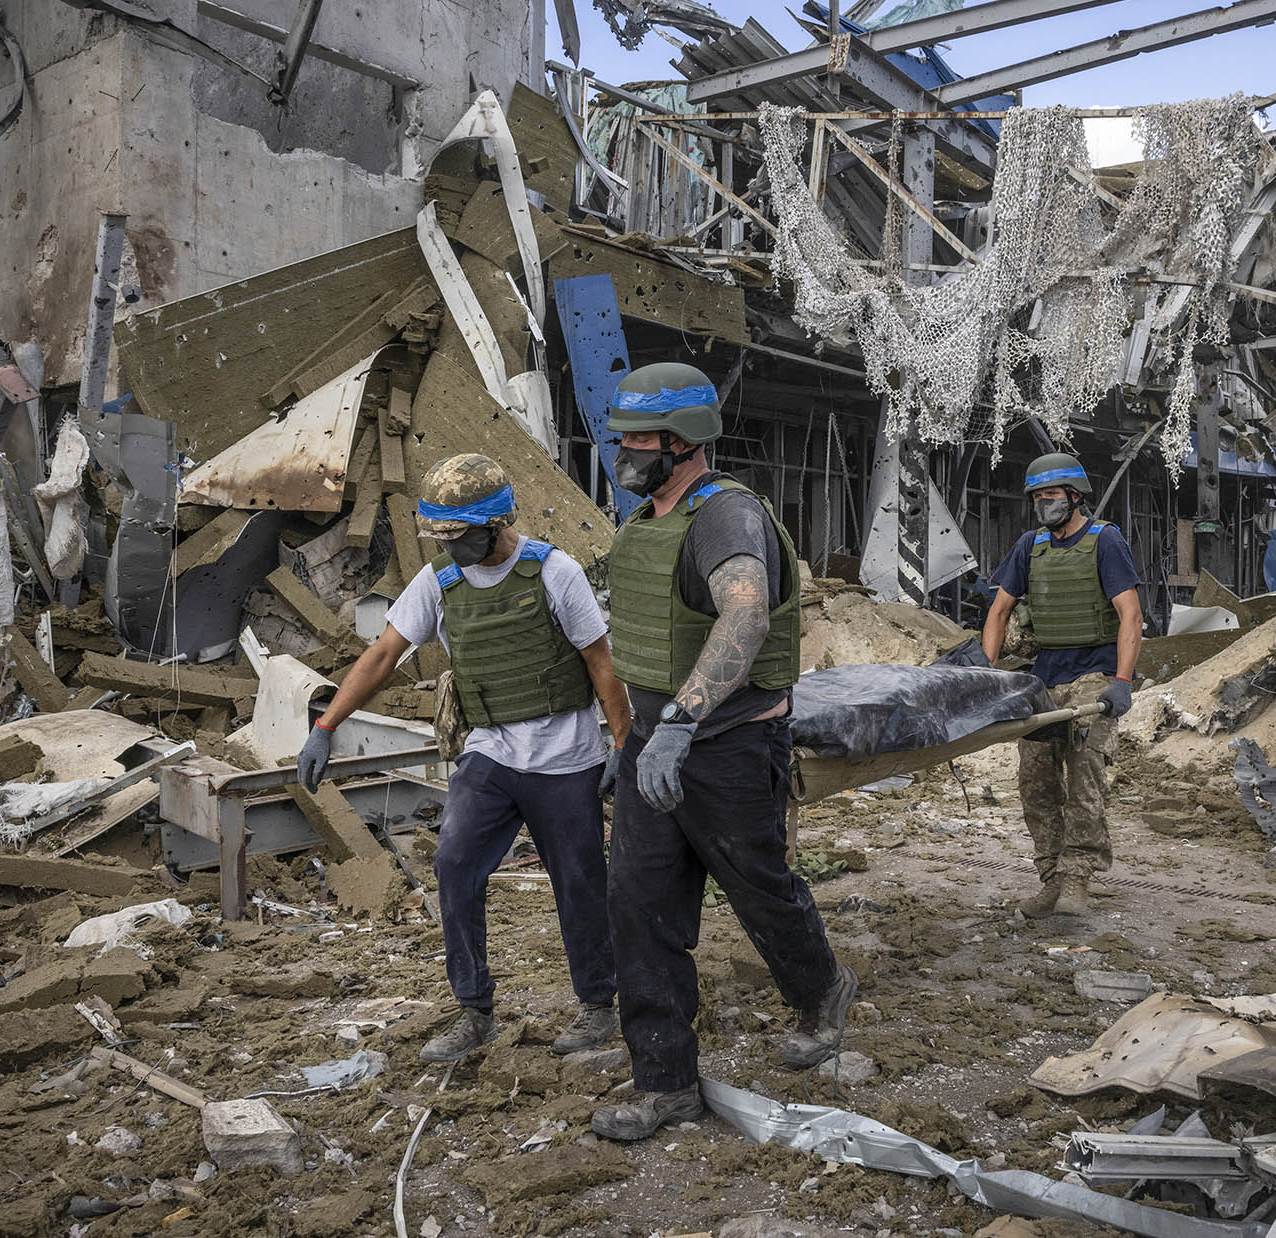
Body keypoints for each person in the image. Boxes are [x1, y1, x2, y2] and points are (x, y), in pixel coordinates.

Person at [590, 362, 857, 1143]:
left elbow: (744, 620)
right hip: (654, 747)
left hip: (729, 746)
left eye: (638, 440)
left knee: (758, 889)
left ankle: (822, 990)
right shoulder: (646, 520)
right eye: (622, 439)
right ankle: (665, 1082)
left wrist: (682, 720)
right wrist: (636, 737)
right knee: (637, 905)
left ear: (682, 441)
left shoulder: (725, 517)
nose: (624, 453)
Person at [296, 453, 631, 1062]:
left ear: (496, 523)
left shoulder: (556, 574)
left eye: (459, 537)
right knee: (453, 863)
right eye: (441, 537)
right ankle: (474, 1011)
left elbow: (600, 663)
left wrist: (621, 742)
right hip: (491, 752)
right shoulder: (440, 582)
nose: (449, 549)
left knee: (579, 882)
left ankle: (598, 1006)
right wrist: (326, 724)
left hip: (565, 757)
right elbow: (381, 657)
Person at [979, 451, 1143, 918]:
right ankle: (1051, 876)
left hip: (1094, 674)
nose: (1044, 505)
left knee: (1085, 773)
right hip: (1044, 677)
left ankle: (1077, 879)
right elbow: (999, 611)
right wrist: (984, 676)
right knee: (1034, 779)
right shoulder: (1030, 547)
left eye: (1051, 496)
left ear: (1075, 497)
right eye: (1038, 498)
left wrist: (1123, 682)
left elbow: (1130, 615)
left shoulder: (1105, 542)